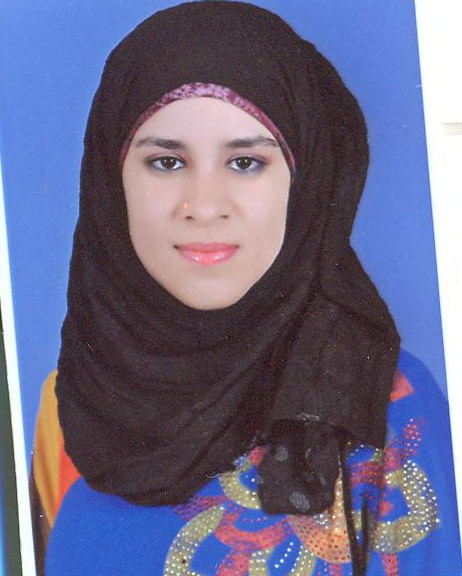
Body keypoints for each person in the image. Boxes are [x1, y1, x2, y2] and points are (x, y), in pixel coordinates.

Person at [29, 1, 461, 575]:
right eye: (166, 162)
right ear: (111, 183)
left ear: (304, 181)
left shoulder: (385, 403)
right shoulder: (66, 410)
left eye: (245, 163)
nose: (204, 206)